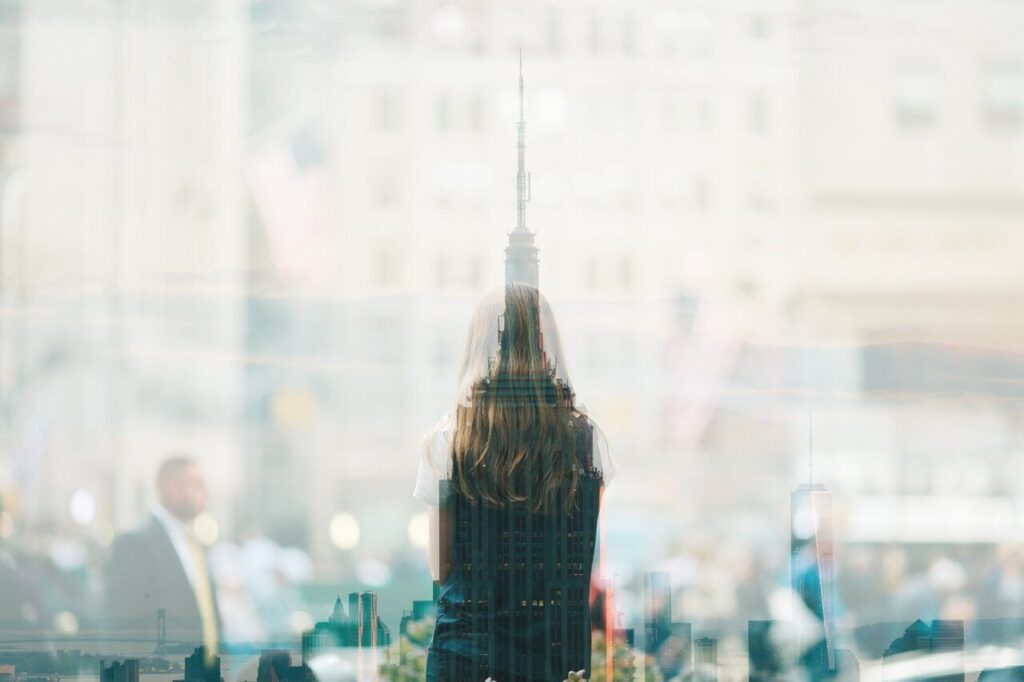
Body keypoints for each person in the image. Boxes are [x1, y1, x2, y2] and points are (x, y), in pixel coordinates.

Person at [414, 283, 614, 682]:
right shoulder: (587, 439)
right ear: (549, 345)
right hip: (555, 657)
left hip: (467, 654)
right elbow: (583, 555)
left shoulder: (450, 437)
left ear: (478, 346)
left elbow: (441, 567)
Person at [103, 455, 220, 658]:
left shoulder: (193, 542)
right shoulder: (136, 543)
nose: (206, 493)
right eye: (197, 485)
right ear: (172, 488)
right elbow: (122, 627)